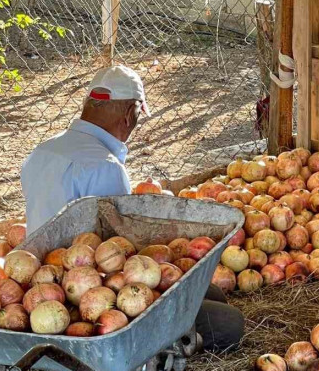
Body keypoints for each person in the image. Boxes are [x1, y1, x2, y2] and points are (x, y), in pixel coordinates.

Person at [21, 65, 244, 352]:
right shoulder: (104, 167)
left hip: (36, 284)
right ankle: (168, 348)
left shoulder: (41, 151)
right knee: (230, 323)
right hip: (94, 299)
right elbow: (118, 250)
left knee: (210, 292)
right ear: (129, 114)